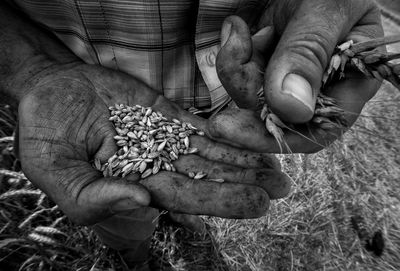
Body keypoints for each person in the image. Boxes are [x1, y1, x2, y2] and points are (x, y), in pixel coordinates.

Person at [0, 0, 383, 269]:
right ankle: (133, 253)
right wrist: (35, 70)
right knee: (124, 209)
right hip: (90, 100)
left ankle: (173, 215)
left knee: (194, 173)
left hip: (227, 97)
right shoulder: (119, 131)